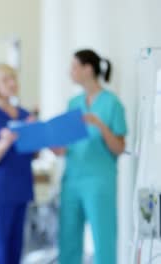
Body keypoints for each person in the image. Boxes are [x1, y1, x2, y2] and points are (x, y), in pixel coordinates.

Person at [56, 49, 127, 264]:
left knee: (103, 240)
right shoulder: (73, 104)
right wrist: (52, 144)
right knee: (68, 242)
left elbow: (119, 148)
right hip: (71, 181)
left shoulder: (112, 103)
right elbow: (66, 146)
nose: (71, 72)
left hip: (99, 181)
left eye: (74, 67)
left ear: (88, 69)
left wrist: (100, 125)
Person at [0, 64, 35, 264]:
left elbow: (33, 154)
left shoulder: (24, 115)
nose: (12, 83)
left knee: (15, 249)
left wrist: (36, 132)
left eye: (13, 78)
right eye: (5, 80)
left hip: (21, 189)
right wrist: (5, 141)